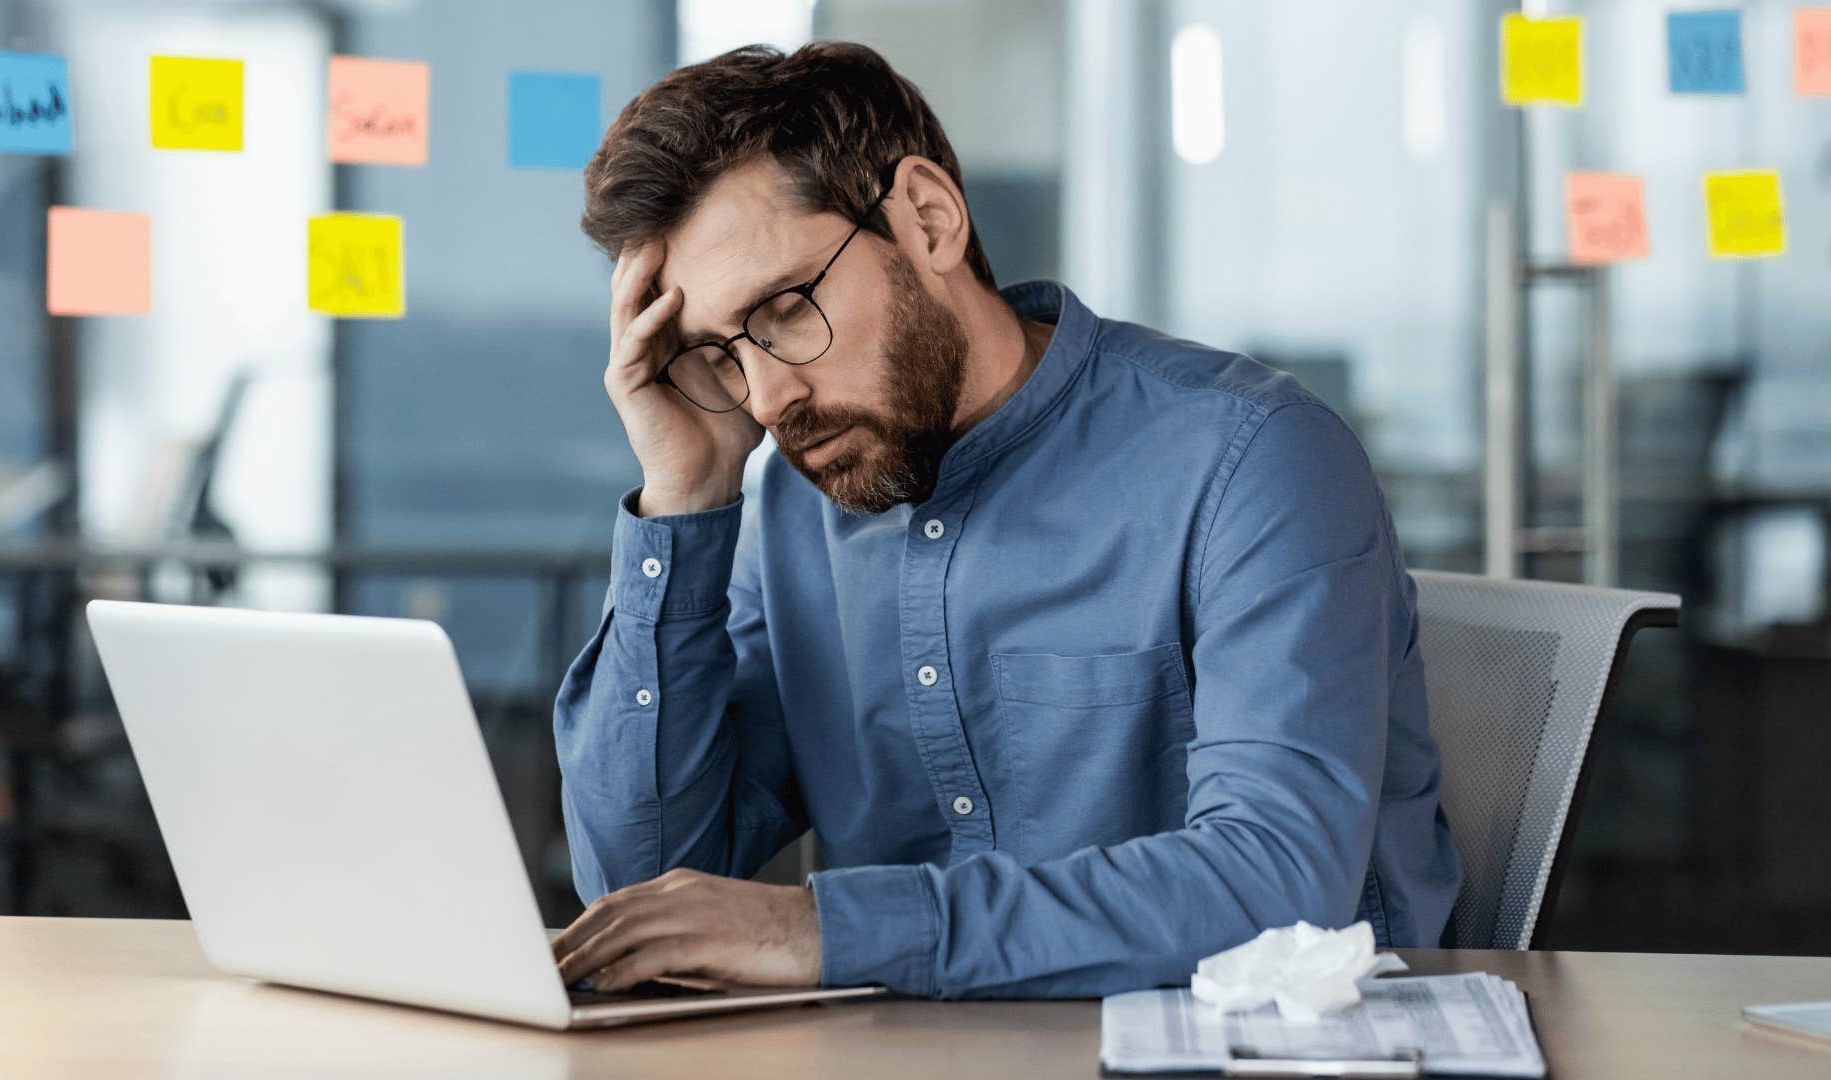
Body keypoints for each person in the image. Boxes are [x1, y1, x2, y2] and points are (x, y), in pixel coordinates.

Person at [550, 41, 1460, 1000]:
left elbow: (1277, 884)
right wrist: (685, 499)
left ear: (929, 221)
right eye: (718, 354)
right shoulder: (790, 509)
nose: (768, 397)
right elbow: (638, 888)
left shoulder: (1251, 458)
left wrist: (831, 929)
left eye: (783, 308)